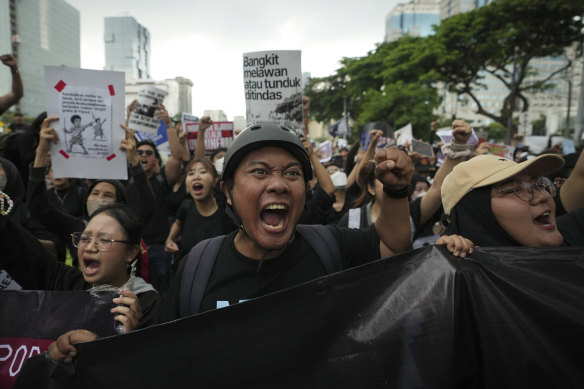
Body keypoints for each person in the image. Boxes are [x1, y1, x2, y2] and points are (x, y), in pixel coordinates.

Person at [161, 123, 472, 319]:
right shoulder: (197, 268)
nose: (279, 184)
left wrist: (394, 189)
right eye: (259, 171)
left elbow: (393, 244)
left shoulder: (329, 244)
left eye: (292, 173)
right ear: (227, 191)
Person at [440, 153, 581, 247]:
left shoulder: (573, 240)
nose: (543, 196)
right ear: (475, 215)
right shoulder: (456, 279)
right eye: (515, 190)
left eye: (539, 185)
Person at [164, 158, 237, 260]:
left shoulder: (229, 213)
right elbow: (178, 223)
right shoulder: (186, 206)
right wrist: (169, 239)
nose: (196, 177)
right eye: (191, 174)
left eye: (203, 172)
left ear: (215, 180)